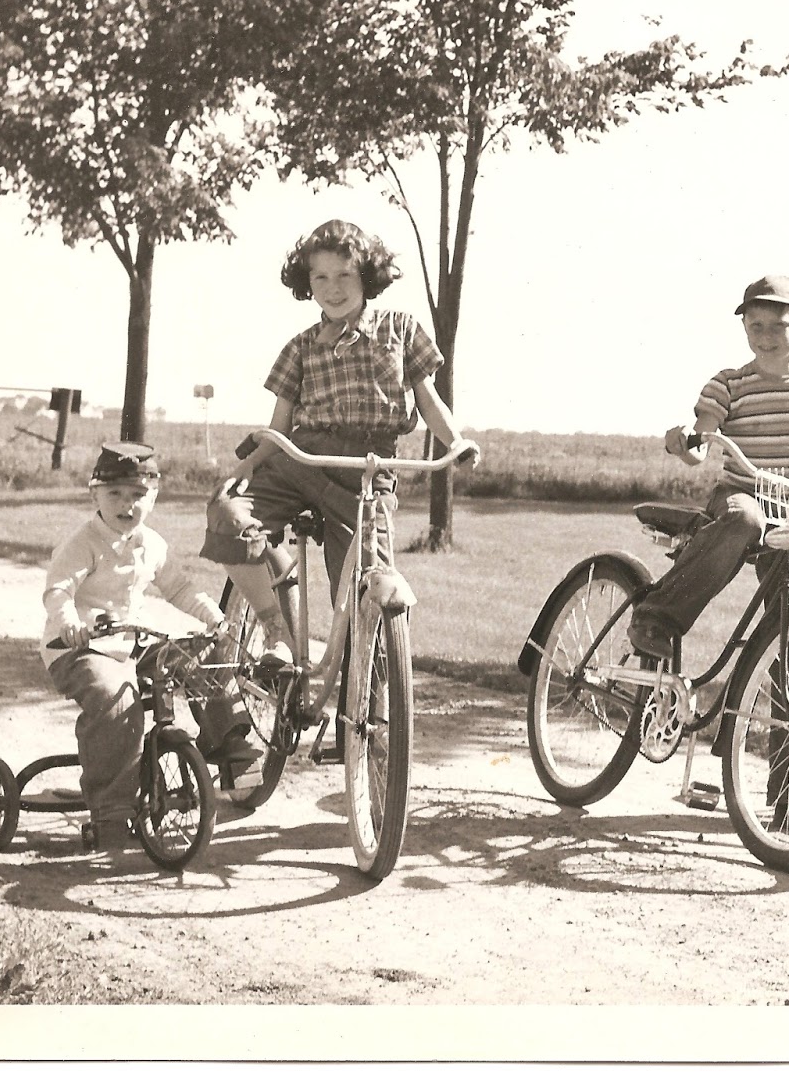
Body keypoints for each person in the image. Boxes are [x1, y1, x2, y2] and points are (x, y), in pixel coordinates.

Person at [201, 219, 476, 664]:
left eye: (344, 275)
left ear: (365, 275)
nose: (333, 288)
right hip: (300, 459)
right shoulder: (300, 347)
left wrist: (456, 442)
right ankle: (277, 632)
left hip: (367, 474)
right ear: (307, 283)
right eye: (320, 277)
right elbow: (280, 426)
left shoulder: (400, 328)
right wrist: (248, 466)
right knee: (228, 515)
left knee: (365, 586)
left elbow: (428, 402)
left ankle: (371, 711)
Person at [626, 274, 789, 662]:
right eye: (756, 325)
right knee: (745, 521)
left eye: (779, 325)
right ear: (744, 327)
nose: (766, 335)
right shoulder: (729, 384)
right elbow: (700, 446)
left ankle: (788, 718)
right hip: (743, 496)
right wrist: (683, 442)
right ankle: (656, 617)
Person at [42, 442, 254, 854]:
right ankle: (112, 813)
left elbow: (178, 587)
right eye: (115, 494)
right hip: (80, 649)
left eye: (138, 495)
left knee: (204, 657)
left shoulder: (151, 544)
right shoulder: (82, 543)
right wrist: (70, 624)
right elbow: (58, 590)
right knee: (117, 700)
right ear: (95, 496)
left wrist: (215, 618)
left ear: (153, 498)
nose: (127, 505)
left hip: (132, 644)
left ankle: (229, 744)